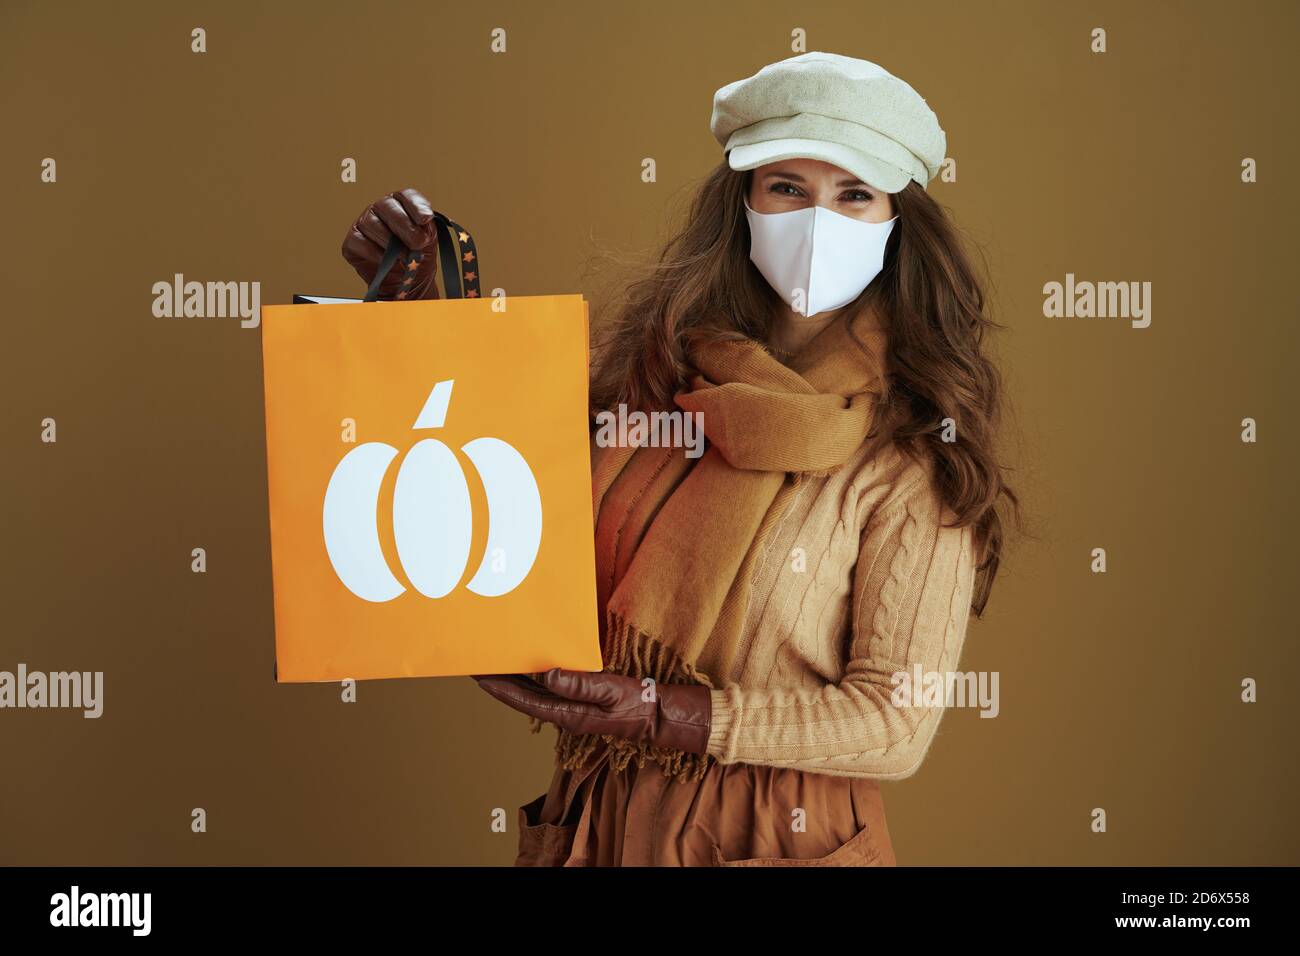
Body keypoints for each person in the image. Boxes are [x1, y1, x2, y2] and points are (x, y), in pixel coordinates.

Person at [342, 51, 1019, 867]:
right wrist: (420, 311)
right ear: (743, 202)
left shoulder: (912, 452)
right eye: (788, 188)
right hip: (597, 818)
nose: (817, 221)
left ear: (899, 222)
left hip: (775, 834)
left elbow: (895, 724)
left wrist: (671, 713)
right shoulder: (653, 380)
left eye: (854, 195)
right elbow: (490, 479)